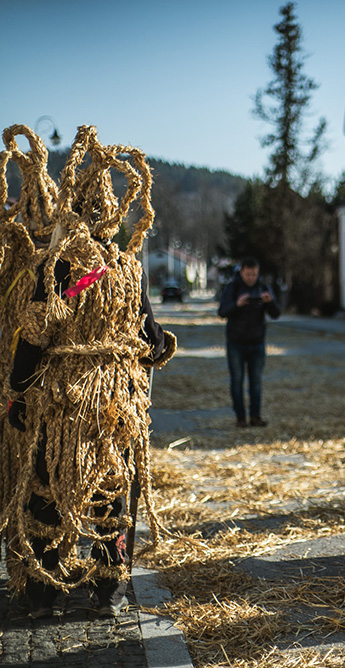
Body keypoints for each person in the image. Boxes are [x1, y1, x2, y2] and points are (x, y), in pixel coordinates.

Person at [0, 124, 176, 618]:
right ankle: (108, 590)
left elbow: (34, 336)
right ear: (112, 215)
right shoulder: (127, 268)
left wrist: (15, 392)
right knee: (109, 485)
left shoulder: (55, 266)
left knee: (47, 484)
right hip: (113, 400)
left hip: (59, 398)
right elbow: (150, 334)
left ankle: (43, 593)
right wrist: (157, 348)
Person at [218, 258, 280, 427]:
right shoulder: (232, 287)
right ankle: (240, 417)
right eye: (248, 274)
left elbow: (276, 314)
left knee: (256, 382)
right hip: (235, 343)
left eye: (254, 274)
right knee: (236, 381)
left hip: (257, 342)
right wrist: (237, 304)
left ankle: (255, 416)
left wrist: (270, 302)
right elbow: (222, 311)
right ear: (241, 272)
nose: (251, 278)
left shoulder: (263, 287)